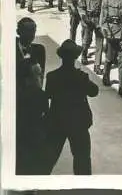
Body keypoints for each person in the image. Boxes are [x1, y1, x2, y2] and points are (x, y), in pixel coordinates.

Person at [45, 39, 99, 174]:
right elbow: (94, 92)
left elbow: (48, 96)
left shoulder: (52, 76)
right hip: (78, 122)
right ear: (76, 57)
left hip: (57, 122)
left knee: (48, 158)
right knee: (82, 160)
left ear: (61, 56)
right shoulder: (81, 76)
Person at [16, 62, 48, 175]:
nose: (41, 77)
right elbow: (45, 115)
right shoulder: (40, 94)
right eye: (38, 74)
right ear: (31, 77)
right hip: (35, 135)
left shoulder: (17, 93)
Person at [78, 0, 104, 75]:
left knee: (100, 43)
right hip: (88, 19)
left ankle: (97, 65)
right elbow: (81, 7)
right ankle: (84, 54)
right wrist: (84, 17)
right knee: (87, 41)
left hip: (99, 19)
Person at [16, 17, 46, 86]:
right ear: (18, 32)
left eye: (33, 31)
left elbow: (40, 78)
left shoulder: (39, 50)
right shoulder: (10, 48)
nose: (31, 35)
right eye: (27, 31)